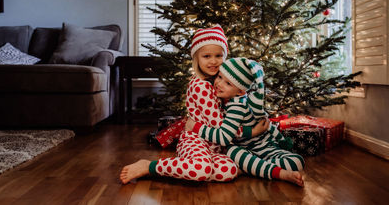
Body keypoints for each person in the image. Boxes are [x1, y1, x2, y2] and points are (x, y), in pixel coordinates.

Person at [121, 25, 242, 183]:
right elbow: (220, 126)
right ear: (196, 58)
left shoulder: (220, 84)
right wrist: (248, 131)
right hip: (195, 140)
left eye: (218, 55)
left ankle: (186, 168)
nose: (213, 61)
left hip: (215, 146)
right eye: (206, 56)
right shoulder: (200, 86)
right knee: (202, 170)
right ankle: (149, 166)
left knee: (229, 171)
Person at [186, 57, 305, 186]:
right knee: (233, 151)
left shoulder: (236, 106)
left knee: (296, 161)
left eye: (228, 83)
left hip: (264, 148)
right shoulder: (230, 98)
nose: (219, 84)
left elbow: (223, 137)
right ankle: (257, 167)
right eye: (219, 77)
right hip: (247, 151)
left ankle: (257, 168)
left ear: (241, 91)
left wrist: (195, 126)